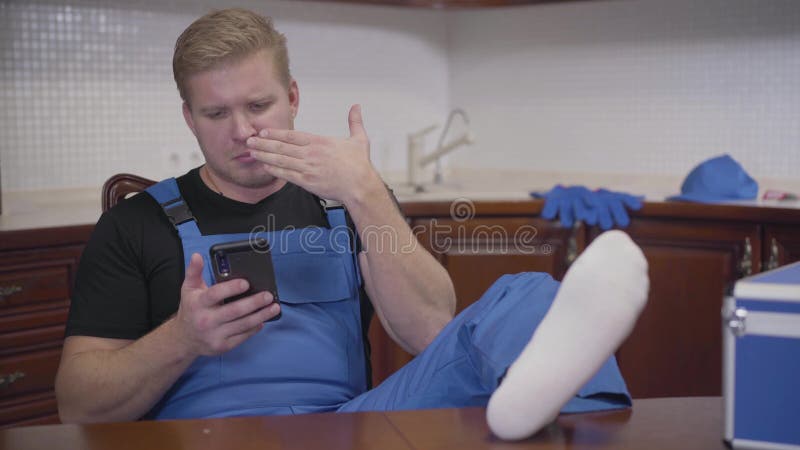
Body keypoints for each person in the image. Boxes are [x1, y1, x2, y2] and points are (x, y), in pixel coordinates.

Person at [55, 9, 649, 441]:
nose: (242, 132)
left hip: (344, 431)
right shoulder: (135, 226)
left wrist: (365, 192)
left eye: (258, 105)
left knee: (531, 296)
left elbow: (431, 331)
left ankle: (564, 417)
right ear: (189, 117)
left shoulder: (348, 198)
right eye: (216, 113)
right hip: (204, 439)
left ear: (292, 97)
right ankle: (542, 416)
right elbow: (77, 404)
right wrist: (182, 338)